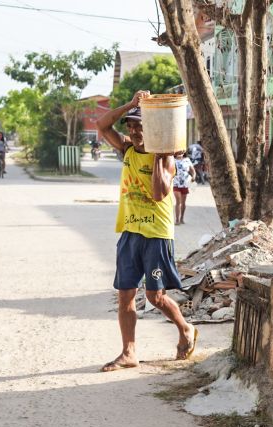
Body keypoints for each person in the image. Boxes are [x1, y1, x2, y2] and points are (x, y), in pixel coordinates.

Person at [96, 89, 198, 372]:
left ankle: (185, 328)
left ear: (152, 128)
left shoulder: (166, 159)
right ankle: (128, 352)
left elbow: (157, 193)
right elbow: (102, 125)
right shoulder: (126, 149)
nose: (134, 131)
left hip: (157, 237)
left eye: (140, 125)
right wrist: (130, 104)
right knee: (125, 294)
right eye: (131, 126)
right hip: (130, 233)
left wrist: (159, 152)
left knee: (155, 297)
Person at [173, 150, 195, 225]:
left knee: (183, 203)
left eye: (181, 152)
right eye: (178, 152)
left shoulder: (187, 160)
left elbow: (193, 170)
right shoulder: (172, 160)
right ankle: (177, 219)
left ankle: (182, 218)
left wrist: (194, 177)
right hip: (175, 184)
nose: (180, 154)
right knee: (178, 202)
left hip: (185, 184)